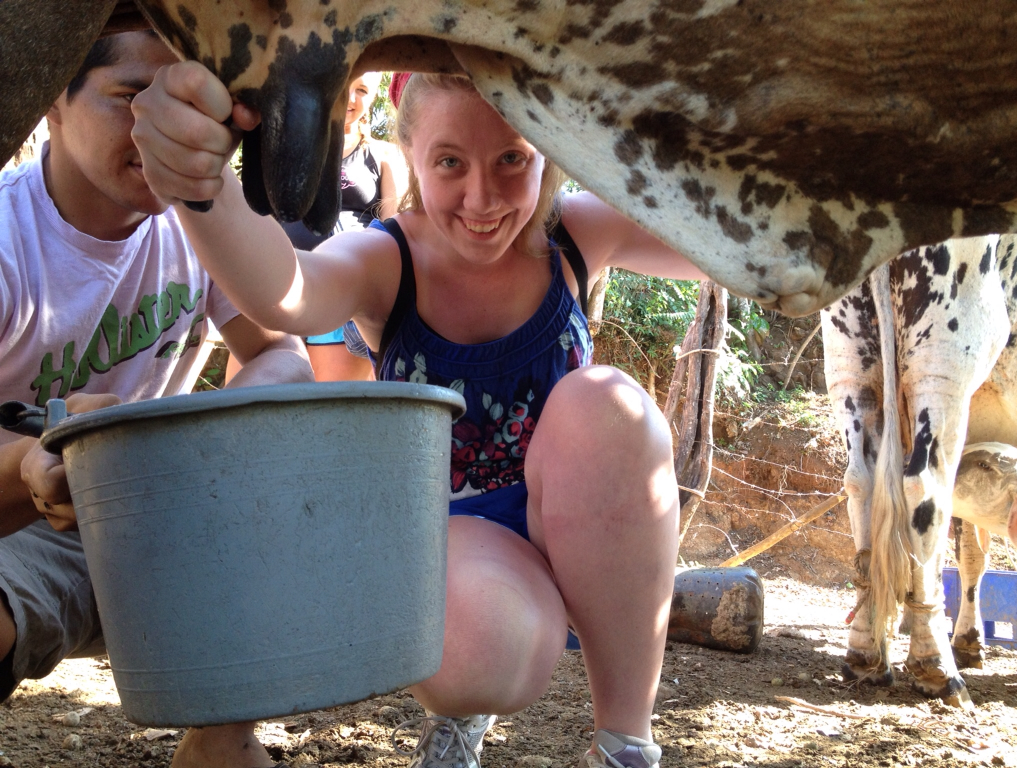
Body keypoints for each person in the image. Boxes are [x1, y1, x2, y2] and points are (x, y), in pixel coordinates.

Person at [131, 65, 707, 768]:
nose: (481, 197)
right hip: (464, 546)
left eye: (511, 160)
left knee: (609, 401)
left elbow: (733, 250)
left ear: (549, 154)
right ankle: (462, 714)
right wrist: (203, 186)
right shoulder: (388, 256)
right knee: (475, 654)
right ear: (411, 153)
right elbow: (289, 294)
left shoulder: (576, 233)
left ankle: (624, 744)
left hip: (583, 514)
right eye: (449, 163)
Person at [0, 31, 313, 768]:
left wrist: (193, 438)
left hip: (167, 519)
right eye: (133, 96)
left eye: (190, 101)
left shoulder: (200, 220)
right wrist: (36, 468)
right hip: (28, 520)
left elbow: (283, 354)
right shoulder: (11, 241)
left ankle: (222, 743)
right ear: (50, 99)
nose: (164, 127)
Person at [283, 70, 408, 383]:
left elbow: (397, 229)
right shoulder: (289, 150)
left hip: (343, 297)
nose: (350, 98)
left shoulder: (383, 155)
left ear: (375, 95)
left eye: (362, 90)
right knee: (263, 403)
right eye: (342, 85)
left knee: (325, 409)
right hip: (284, 284)